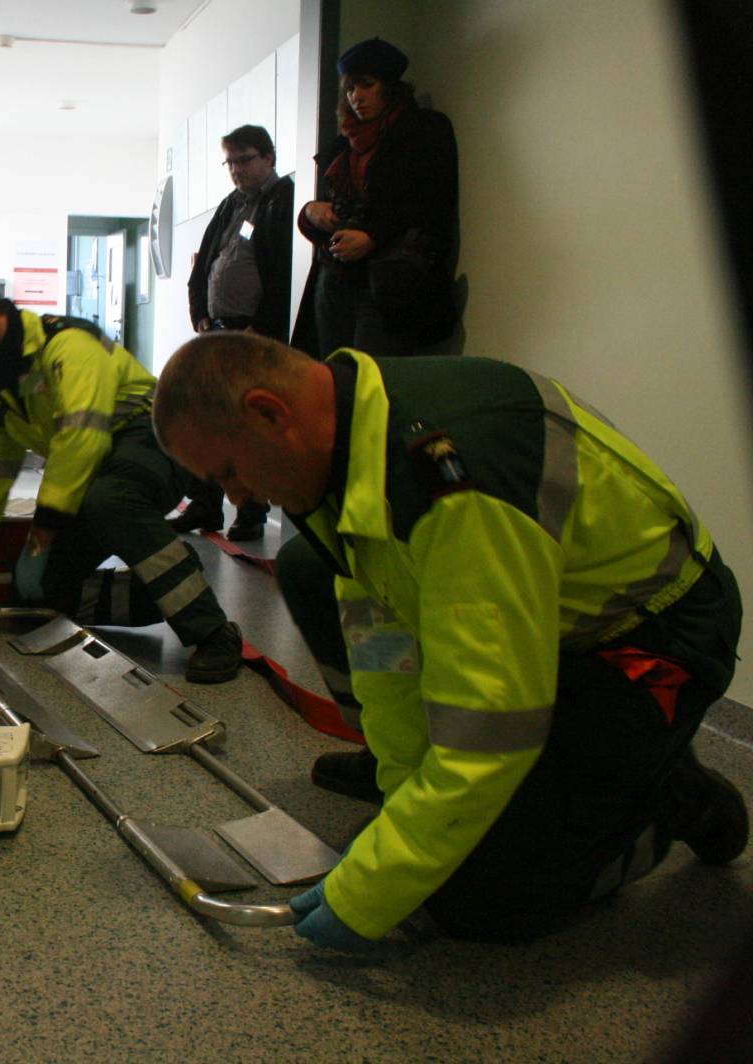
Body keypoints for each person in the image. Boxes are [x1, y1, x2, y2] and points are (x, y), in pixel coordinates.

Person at [154, 332, 745, 950]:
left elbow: (491, 731)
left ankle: (666, 799)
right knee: (307, 570)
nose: (236, 497)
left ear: (269, 413)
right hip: (546, 628)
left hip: (649, 642)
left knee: (481, 900)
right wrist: (403, 799)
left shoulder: (453, 481)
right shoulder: (345, 456)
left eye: (228, 472)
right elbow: (385, 655)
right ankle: (580, 775)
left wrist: (372, 887)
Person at [0, 272, 244, 684]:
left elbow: (80, 442)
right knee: (40, 594)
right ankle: (165, 587)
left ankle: (212, 630)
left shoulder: (68, 344)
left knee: (110, 499)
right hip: (99, 470)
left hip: (157, 438)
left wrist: (39, 541)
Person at [291, 37, 459, 359]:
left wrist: (373, 236)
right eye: (351, 88)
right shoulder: (346, 144)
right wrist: (310, 212)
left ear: (390, 86)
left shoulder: (424, 130)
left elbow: (432, 201)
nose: (356, 96)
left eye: (366, 85)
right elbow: (334, 208)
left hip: (388, 282)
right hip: (336, 278)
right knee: (334, 375)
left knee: (374, 377)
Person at [175, 123, 296, 541]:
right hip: (217, 331)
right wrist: (200, 314)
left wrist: (260, 328)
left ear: (269, 158)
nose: (236, 169)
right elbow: (205, 263)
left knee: (244, 426)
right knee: (203, 420)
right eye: (229, 162)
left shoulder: (283, 200)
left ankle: (250, 511)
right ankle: (205, 504)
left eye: (244, 160)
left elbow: (284, 273)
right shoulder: (231, 204)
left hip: (253, 336)